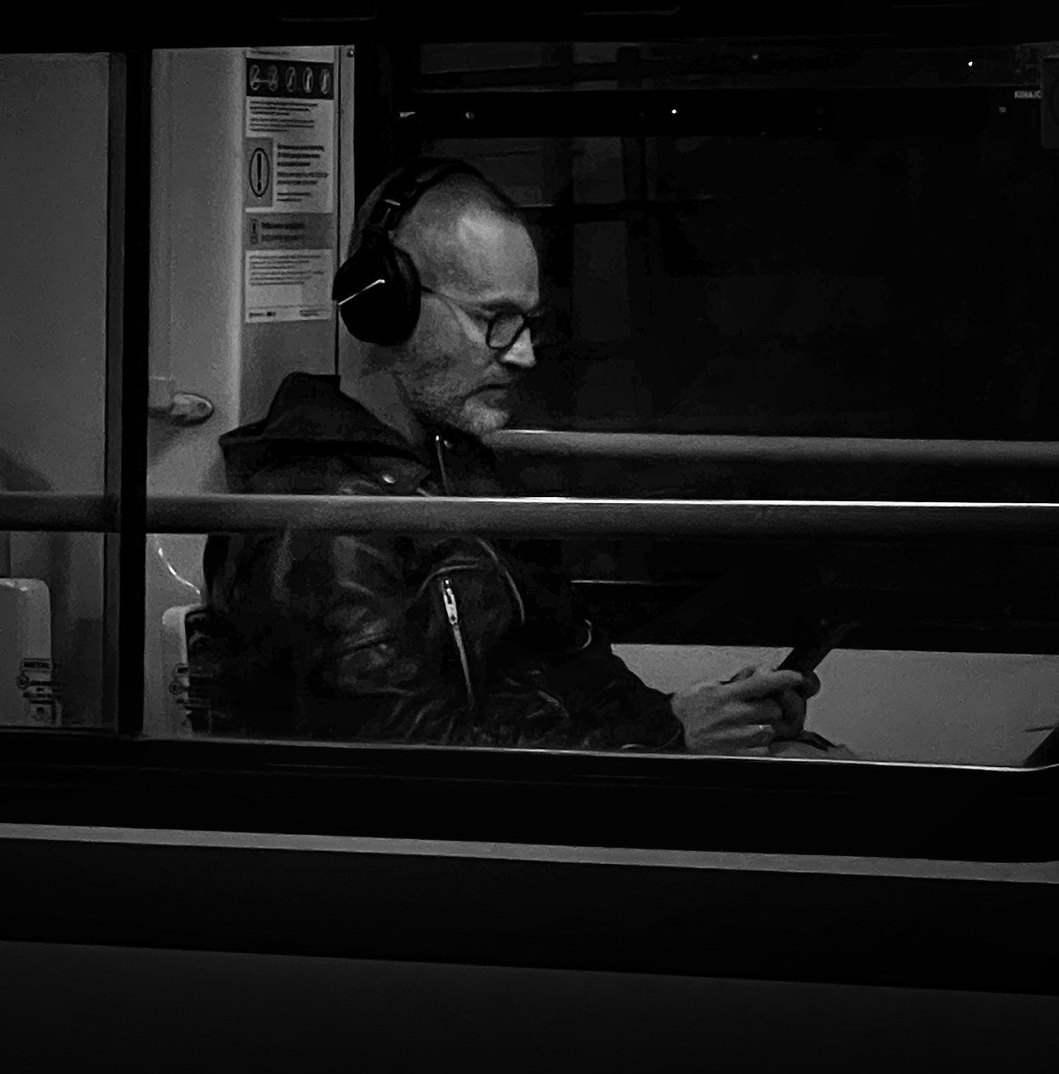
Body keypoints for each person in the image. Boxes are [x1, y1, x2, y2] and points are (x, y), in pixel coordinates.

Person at [190, 158, 822, 753]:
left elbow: (572, 661)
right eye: (493, 317)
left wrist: (687, 715)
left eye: (528, 323)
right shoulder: (317, 523)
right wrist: (663, 741)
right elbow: (414, 765)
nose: (523, 354)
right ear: (383, 305)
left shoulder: (457, 471)